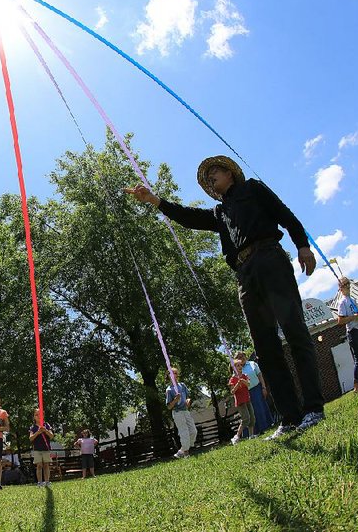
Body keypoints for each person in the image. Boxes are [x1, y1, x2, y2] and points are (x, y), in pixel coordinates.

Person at [125, 155, 325, 439]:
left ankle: (314, 408)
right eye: (207, 178)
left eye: (215, 172)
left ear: (230, 173)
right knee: (265, 347)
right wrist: (155, 201)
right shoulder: (219, 213)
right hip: (245, 274)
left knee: (294, 331)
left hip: (269, 258)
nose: (211, 178)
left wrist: (302, 246)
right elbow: (189, 217)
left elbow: (285, 214)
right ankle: (290, 417)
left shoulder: (253, 189)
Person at [234, 351, 273, 434]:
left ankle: (266, 427)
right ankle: (253, 432)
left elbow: (260, 375)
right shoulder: (237, 370)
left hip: (257, 389)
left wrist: (263, 387)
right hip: (245, 393)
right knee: (250, 412)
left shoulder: (252, 364)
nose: (242, 358)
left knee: (260, 408)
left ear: (245, 356)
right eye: (239, 357)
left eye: (242, 356)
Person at [165, 368, 197, 458]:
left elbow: (188, 397)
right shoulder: (169, 390)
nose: (174, 375)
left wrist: (188, 401)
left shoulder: (182, 385)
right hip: (177, 412)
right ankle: (186, 453)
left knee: (193, 431)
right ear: (168, 376)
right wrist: (175, 400)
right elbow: (169, 407)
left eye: (175, 373)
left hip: (185, 411)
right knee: (184, 432)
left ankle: (182, 450)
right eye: (171, 373)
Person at [229, 359, 256, 445]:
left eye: (241, 365)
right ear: (234, 368)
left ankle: (251, 435)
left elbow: (248, 384)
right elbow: (232, 391)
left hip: (247, 399)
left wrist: (243, 380)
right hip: (240, 401)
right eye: (238, 365)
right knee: (246, 419)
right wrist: (237, 384)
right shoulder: (232, 379)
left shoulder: (244, 376)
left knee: (252, 418)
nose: (240, 367)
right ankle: (236, 437)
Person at [29, 409, 54, 487]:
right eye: (36, 415)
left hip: (46, 449)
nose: (38, 416)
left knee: (46, 465)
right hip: (37, 449)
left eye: (40, 414)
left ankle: (47, 481)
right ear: (34, 417)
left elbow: (51, 436)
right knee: (39, 465)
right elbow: (31, 438)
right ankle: (39, 482)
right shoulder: (33, 427)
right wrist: (38, 432)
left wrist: (45, 431)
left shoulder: (46, 425)